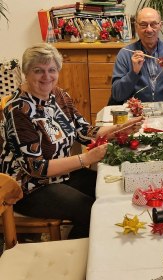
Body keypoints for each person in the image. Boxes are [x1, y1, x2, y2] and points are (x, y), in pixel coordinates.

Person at [0, 43, 143, 239]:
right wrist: (86, 158)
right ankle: (77, 253)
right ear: (26, 72)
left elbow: (84, 131)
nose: (47, 76)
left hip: (61, 173)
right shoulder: (18, 110)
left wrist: (119, 128)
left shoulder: (58, 95)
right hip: (29, 187)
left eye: (52, 70)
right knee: (88, 209)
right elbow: (36, 168)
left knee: (109, 190)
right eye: (38, 71)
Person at [110, 7, 163, 104]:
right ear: (136, 27)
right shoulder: (125, 54)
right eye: (143, 25)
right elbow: (117, 95)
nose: (149, 29)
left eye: (153, 24)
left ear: (160, 25)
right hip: (136, 114)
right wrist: (134, 72)